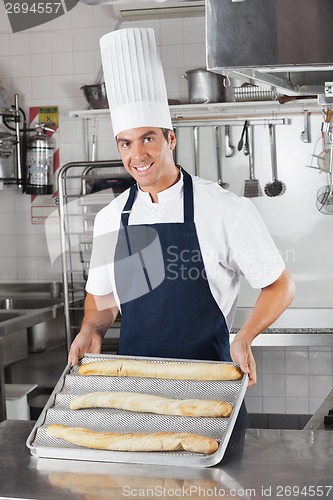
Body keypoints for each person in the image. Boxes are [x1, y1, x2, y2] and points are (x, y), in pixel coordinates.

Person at [68, 28, 295, 400]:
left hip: (210, 389)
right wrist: (92, 329)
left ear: (170, 139)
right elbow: (101, 299)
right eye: (126, 142)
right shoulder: (111, 217)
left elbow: (280, 285)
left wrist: (245, 336)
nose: (137, 155)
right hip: (136, 392)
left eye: (148, 138)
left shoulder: (225, 208)